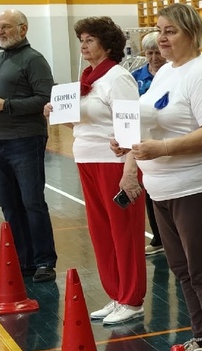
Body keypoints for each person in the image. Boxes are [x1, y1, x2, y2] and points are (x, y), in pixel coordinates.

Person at [116, 2, 202, 351]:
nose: (161, 38)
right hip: (163, 188)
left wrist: (162, 148)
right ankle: (201, 337)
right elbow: (153, 120)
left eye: (170, 31)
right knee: (183, 269)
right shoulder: (167, 71)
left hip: (198, 187)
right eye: (159, 30)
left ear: (192, 33)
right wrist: (130, 144)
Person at [50, 17, 146, 324]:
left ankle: (132, 299)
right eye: (81, 40)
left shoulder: (118, 78)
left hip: (114, 163)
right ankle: (116, 294)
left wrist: (129, 170)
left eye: (89, 40)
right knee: (101, 232)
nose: (83, 45)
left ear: (106, 44)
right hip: (87, 160)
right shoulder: (86, 80)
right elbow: (83, 125)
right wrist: (55, 113)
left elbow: (131, 125)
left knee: (123, 232)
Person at [0, 9, 57, 281]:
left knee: (32, 202)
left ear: (23, 29)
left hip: (25, 140)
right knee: (8, 203)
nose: (0, 31)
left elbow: (45, 99)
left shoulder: (34, 60)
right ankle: (22, 261)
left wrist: (5, 105)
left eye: (6, 26)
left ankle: (44, 261)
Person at [131, 32, 166, 255]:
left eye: (157, 52)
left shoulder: (172, 74)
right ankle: (158, 237)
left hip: (167, 139)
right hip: (143, 140)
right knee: (148, 188)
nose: (153, 58)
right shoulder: (136, 77)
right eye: (149, 53)